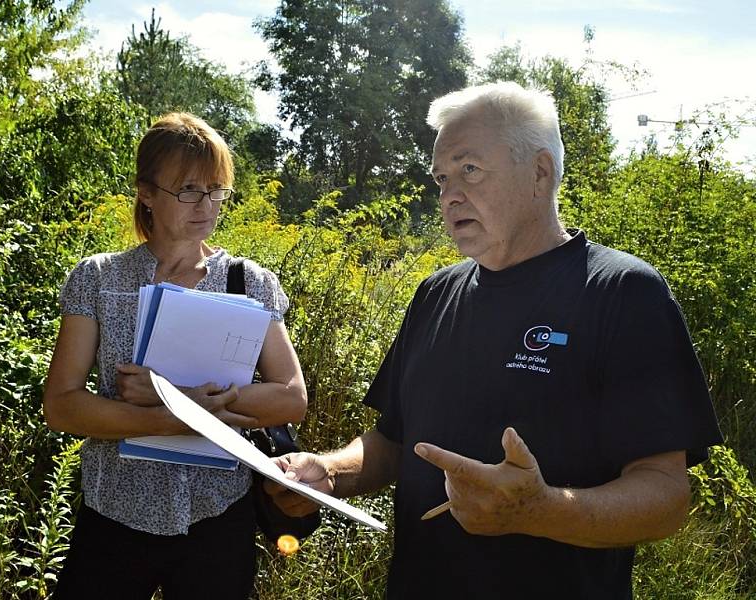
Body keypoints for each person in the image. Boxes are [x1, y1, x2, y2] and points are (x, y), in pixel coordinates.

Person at [265, 82, 722, 599]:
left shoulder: (622, 293)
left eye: (470, 170)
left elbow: (665, 493)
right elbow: (394, 444)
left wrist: (541, 510)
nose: (449, 195)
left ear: (540, 173)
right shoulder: (435, 293)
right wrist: (327, 472)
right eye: (441, 178)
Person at [43, 112, 307, 599]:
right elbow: (61, 404)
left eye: (216, 189)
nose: (206, 205)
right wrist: (173, 420)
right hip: (114, 518)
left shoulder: (250, 282)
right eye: (188, 189)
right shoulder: (100, 279)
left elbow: (291, 398)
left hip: (218, 518)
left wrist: (176, 397)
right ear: (146, 192)